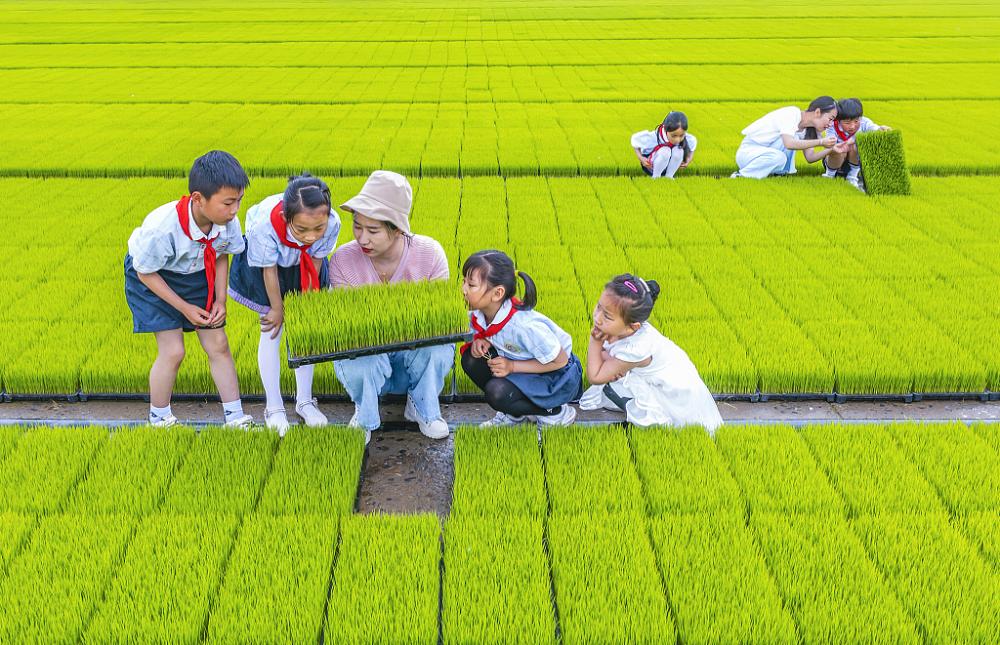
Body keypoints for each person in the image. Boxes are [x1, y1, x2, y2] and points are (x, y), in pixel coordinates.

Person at [124, 150, 252, 428]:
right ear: (198, 199)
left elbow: (220, 254)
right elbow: (144, 272)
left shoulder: (226, 221)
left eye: (239, 201)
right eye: (228, 203)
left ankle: (235, 417)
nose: (235, 210)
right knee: (173, 351)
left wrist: (221, 300)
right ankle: (159, 418)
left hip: (197, 271)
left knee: (218, 343)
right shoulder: (162, 229)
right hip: (153, 276)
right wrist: (184, 308)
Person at [330, 170, 452, 443]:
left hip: (414, 358)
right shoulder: (342, 261)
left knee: (438, 346)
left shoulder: (429, 254)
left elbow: (440, 319)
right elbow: (348, 326)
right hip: (369, 360)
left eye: (373, 230)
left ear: (397, 229)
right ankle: (365, 414)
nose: (362, 238)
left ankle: (423, 408)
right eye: (357, 226)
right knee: (358, 353)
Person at [229, 173, 340, 435]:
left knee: (304, 332)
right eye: (301, 229)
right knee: (272, 330)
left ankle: (304, 401)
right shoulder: (264, 228)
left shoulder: (331, 223)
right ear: (285, 219)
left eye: (318, 228)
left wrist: (307, 301)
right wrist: (277, 309)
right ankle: (274, 407)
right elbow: (268, 271)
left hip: (305, 266)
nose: (311, 236)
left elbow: (316, 259)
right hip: (269, 269)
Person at [580, 274, 722, 433]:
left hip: (676, 399)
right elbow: (607, 357)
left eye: (607, 316)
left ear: (632, 327)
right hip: (664, 382)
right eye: (599, 307)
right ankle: (642, 415)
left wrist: (595, 340)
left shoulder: (636, 350)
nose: (598, 319)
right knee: (614, 374)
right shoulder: (624, 330)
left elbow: (596, 376)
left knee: (610, 380)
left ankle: (654, 425)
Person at [460, 249, 583, 428]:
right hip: (524, 365)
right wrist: (482, 340)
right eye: (463, 281)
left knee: (496, 392)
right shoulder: (478, 314)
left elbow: (561, 361)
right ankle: (515, 415)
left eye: (471, 285)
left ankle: (555, 412)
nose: (463, 289)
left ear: (497, 293)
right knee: (471, 359)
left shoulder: (524, 327)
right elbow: (492, 332)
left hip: (556, 375)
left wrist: (512, 366)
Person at [732, 96, 842, 179]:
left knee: (782, 154)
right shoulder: (791, 114)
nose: (830, 124)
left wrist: (831, 149)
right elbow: (789, 143)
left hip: (769, 156)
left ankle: (778, 174)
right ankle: (741, 176)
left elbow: (810, 157)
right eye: (830, 118)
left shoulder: (810, 129)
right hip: (750, 154)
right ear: (818, 112)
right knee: (787, 146)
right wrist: (821, 142)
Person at [821, 97, 892, 191]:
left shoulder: (864, 122)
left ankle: (852, 177)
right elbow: (829, 143)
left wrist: (881, 129)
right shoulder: (832, 125)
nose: (852, 126)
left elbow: (875, 129)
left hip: (855, 161)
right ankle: (829, 176)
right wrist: (842, 146)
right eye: (847, 123)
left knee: (855, 145)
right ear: (838, 120)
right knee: (837, 149)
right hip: (834, 160)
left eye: (856, 121)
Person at [631, 111, 698, 179]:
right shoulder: (653, 136)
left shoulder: (687, 138)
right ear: (665, 129)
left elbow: (693, 145)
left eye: (681, 135)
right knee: (666, 151)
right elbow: (635, 140)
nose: (677, 140)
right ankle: (655, 177)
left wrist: (688, 159)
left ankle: (669, 177)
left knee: (679, 150)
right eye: (674, 136)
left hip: (669, 167)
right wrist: (641, 158)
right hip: (651, 166)